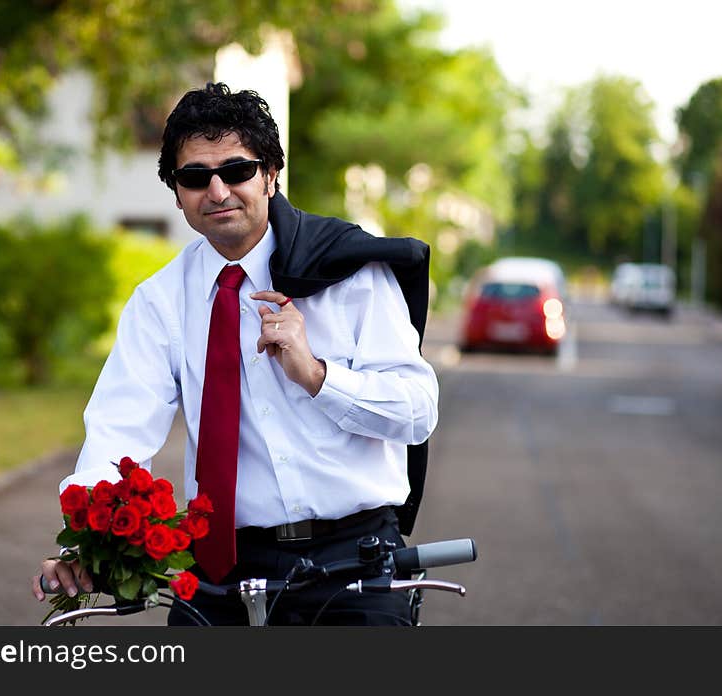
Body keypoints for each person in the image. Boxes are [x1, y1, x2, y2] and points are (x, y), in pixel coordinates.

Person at [32, 82, 438, 625]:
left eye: (237, 170)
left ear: (271, 174)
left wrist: (316, 375)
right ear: (177, 194)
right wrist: (88, 542)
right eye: (195, 177)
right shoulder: (160, 301)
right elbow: (117, 433)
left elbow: (416, 412)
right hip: (223, 569)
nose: (218, 190)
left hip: (354, 561)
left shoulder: (351, 271)